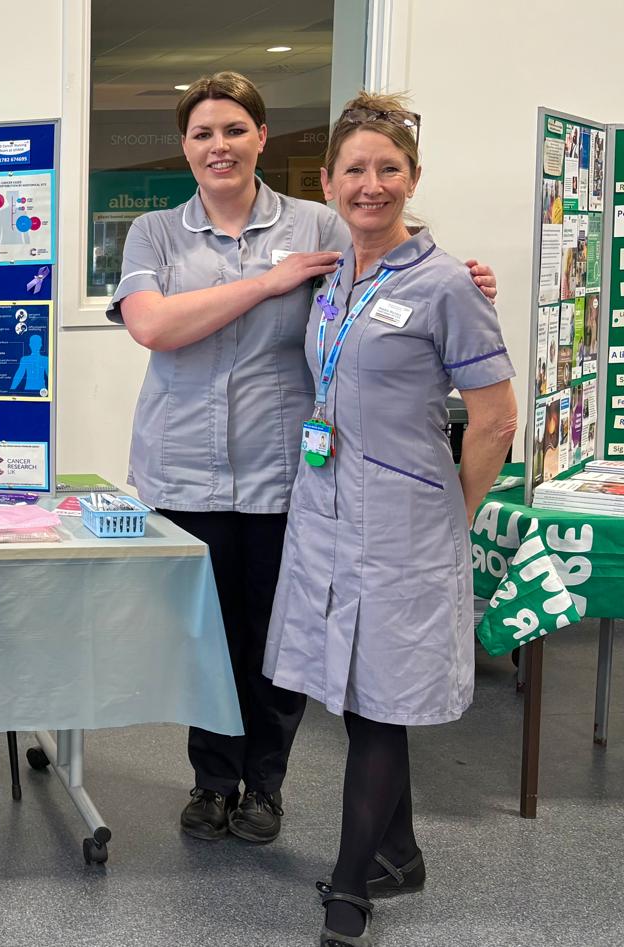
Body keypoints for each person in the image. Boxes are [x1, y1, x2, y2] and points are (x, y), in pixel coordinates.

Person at [108, 72, 497, 846]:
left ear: (260, 137)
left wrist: (469, 277)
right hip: (183, 468)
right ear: (184, 147)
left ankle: (265, 784)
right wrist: (270, 281)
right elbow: (153, 326)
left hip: (293, 474)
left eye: (234, 129)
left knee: (280, 641)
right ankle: (211, 779)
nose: (218, 145)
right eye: (202, 133)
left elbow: (400, 266)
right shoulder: (156, 233)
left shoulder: (320, 224)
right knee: (204, 636)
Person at [263, 91, 518, 947]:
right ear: (329, 183)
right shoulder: (335, 276)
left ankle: (349, 889)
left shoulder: (447, 283)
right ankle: (398, 851)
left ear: (413, 179)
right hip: (329, 516)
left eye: (389, 170)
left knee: (379, 705)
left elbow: (496, 419)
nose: (371, 186)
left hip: (405, 527)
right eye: (355, 171)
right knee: (356, 692)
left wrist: (455, 511)